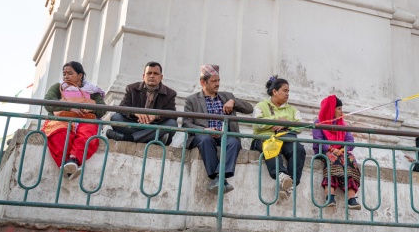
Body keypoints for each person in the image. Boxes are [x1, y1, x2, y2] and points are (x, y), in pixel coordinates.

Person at [182, 65, 253, 193]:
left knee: (233, 142)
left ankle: (218, 179)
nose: (217, 84)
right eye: (214, 81)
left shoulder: (227, 96)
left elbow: (250, 109)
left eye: (218, 80)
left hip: (225, 134)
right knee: (205, 140)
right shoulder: (191, 100)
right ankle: (219, 178)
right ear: (203, 82)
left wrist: (234, 102)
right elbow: (187, 124)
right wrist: (205, 130)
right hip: (203, 135)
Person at [42, 61, 106, 179]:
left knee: (88, 131)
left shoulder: (92, 91)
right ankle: (66, 166)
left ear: (80, 75)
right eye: (64, 73)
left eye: (70, 73)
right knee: (59, 131)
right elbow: (48, 102)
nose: (66, 76)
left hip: (85, 120)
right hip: (62, 119)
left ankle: (74, 160)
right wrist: (70, 108)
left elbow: (102, 109)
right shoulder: (58, 87)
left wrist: (89, 109)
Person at [252, 78, 306, 199]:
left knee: (299, 149)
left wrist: (286, 124)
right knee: (272, 146)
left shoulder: (292, 110)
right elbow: (256, 123)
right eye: (284, 90)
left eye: (288, 91)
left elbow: (300, 127)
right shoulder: (261, 106)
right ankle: (281, 175)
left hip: (285, 138)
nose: (287, 94)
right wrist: (275, 121)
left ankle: (290, 183)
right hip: (264, 138)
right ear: (275, 92)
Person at [108, 63, 178, 145]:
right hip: (135, 124)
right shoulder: (132, 88)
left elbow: (172, 114)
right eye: (149, 73)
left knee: (172, 124)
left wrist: (156, 116)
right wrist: (135, 113)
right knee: (115, 118)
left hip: (155, 126)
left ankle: (129, 138)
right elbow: (123, 107)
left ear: (161, 77)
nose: (152, 76)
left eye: (155, 74)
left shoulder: (170, 93)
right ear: (144, 76)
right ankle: (154, 138)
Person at [312, 96, 361, 210]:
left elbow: (350, 141)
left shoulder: (342, 124)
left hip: (340, 151)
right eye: (339, 108)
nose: (341, 111)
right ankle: (330, 196)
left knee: (350, 160)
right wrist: (331, 149)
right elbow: (317, 141)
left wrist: (342, 150)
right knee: (333, 159)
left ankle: (351, 198)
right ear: (331, 109)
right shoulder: (319, 122)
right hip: (325, 152)